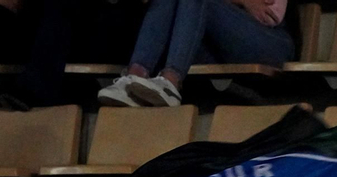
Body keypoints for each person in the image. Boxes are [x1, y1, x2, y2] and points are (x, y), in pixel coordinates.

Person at [96, 0, 295, 107]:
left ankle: (171, 82)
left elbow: (271, 12)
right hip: (210, 45)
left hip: (268, 41)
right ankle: (135, 77)